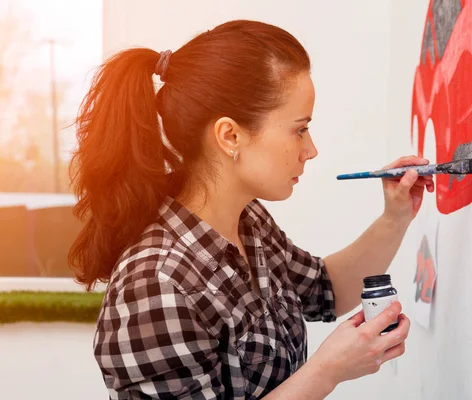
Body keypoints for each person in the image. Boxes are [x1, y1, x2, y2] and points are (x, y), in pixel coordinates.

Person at [68, 19, 434, 399]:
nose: (310, 150)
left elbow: (324, 289)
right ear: (230, 136)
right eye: (299, 129)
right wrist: (327, 372)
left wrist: (396, 215)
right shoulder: (155, 285)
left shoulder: (249, 221)